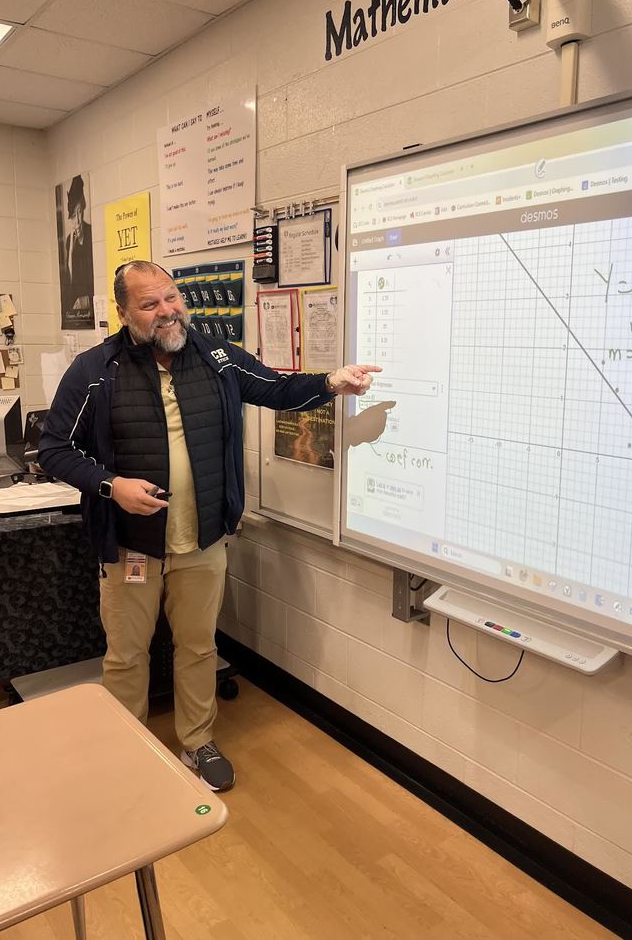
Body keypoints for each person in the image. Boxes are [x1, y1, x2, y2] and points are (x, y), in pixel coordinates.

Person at [39, 260, 380, 791]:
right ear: (124, 312)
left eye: (171, 298)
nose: (167, 311)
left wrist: (332, 382)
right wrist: (112, 486)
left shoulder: (215, 358)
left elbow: (277, 389)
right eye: (150, 304)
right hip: (130, 546)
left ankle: (196, 743)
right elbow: (55, 449)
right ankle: (123, 746)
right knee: (127, 655)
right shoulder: (95, 370)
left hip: (201, 539)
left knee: (198, 647)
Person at [60, 175, 94, 321]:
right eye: (74, 215)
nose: (78, 220)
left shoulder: (91, 234)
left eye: (80, 212)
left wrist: (88, 298)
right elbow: (70, 279)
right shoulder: (69, 241)